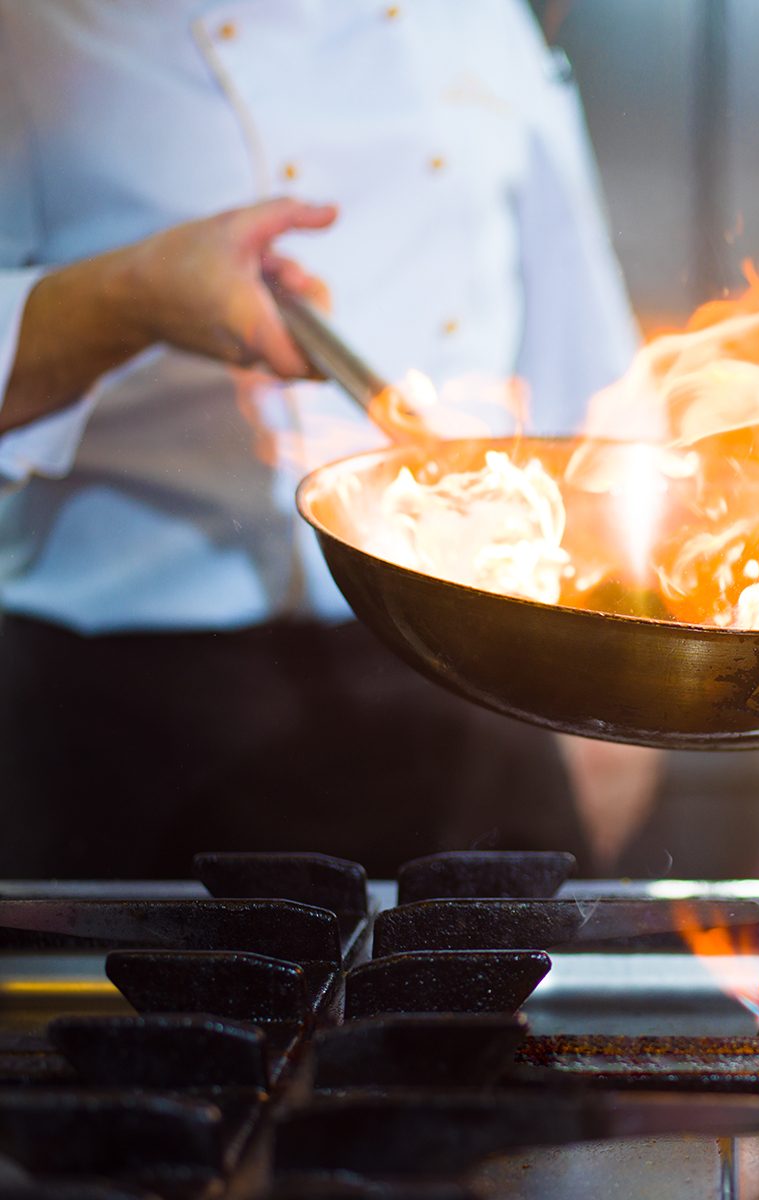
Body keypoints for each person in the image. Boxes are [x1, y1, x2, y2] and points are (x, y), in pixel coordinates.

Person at [0, 1, 646, 877]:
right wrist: (128, 299)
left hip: (481, 688)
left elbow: (594, 379)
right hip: (131, 720)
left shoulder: (477, 19)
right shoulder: (36, 34)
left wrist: (617, 714)